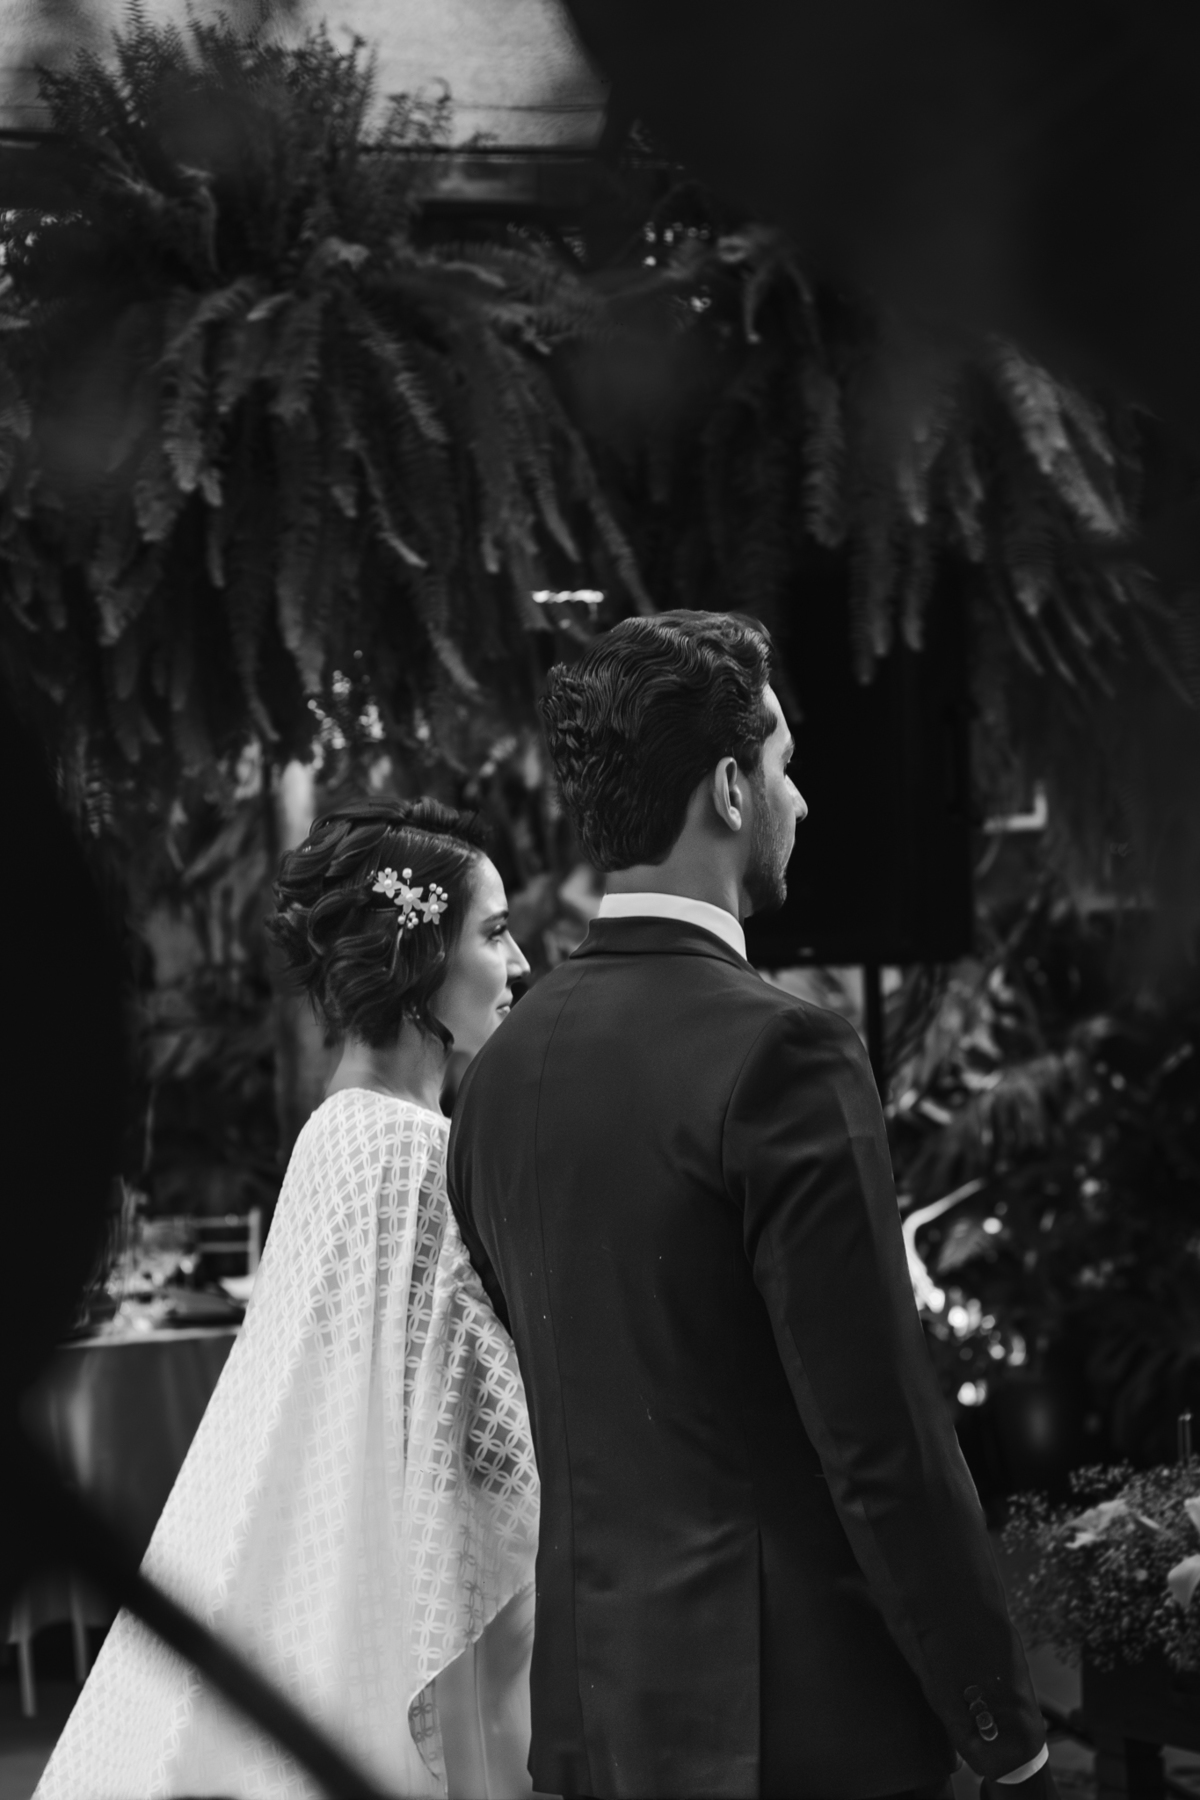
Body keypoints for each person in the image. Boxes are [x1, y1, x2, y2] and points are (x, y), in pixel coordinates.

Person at [447, 612, 1057, 1800]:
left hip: (593, 1727)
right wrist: (1004, 1726)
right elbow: (881, 1439)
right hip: (798, 1730)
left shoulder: (499, 1078)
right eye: (783, 762)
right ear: (729, 790)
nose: (802, 799)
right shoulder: (786, 1055)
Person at [36, 797, 539, 1800]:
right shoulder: (415, 1153)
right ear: (418, 959)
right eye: (493, 933)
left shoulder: (335, 1131)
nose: (521, 962)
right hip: (420, 1594)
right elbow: (482, 1427)